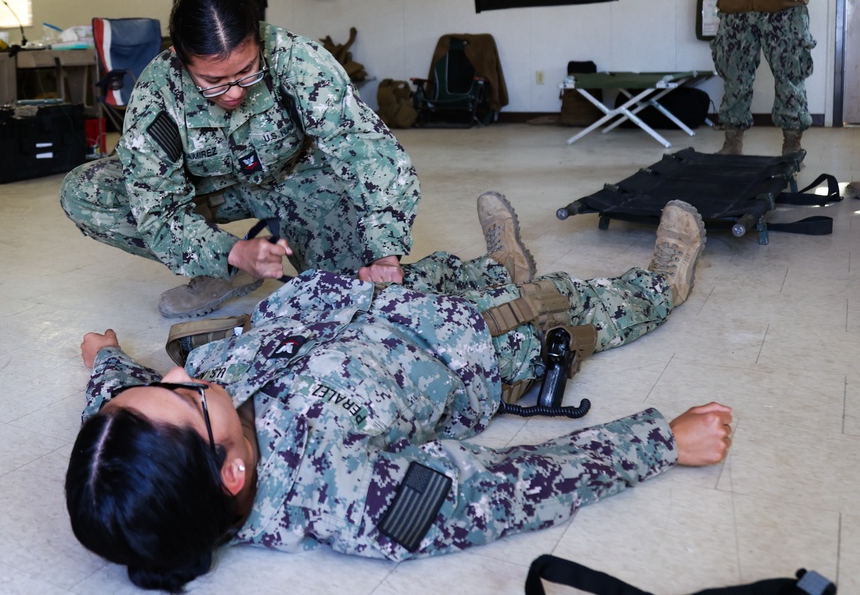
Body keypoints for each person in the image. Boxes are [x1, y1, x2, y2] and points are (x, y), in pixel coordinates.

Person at [65, 194, 732, 593]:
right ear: (233, 472)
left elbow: (119, 404)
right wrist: (661, 442)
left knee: (455, 269)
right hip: (474, 342)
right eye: (184, 398)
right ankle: (663, 281)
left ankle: (499, 262)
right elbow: (510, 488)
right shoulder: (349, 497)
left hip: (373, 297)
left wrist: (107, 360)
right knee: (571, 306)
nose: (178, 376)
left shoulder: (153, 457)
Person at [60, 0, 420, 319]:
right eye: (213, 81)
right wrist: (231, 254)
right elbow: (157, 211)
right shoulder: (157, 95)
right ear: (179, 57)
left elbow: (372, 155)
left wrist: (384, 251)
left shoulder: (299, 60)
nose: (234, 92)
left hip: (302, 180)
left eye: (247, 71)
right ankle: (223, 271)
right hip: (212, 192)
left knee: (353, 299)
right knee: (85, 192)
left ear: (258, 40)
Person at [704, 0, 832, 156]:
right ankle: (732, 143)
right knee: (734, 78)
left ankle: (792, 144)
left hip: (785, 11)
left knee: (790, 78)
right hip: (736, 10)